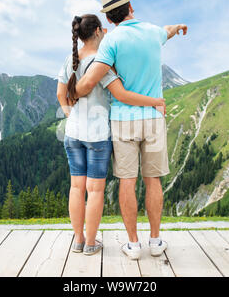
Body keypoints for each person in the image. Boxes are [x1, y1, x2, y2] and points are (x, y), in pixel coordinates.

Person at [74, 0, 187, 260]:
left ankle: (134, 244)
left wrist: (71, 92)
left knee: (127, 182)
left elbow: (88, 83)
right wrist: (178, 27)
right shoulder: (153, 32)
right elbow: (167, 31)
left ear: (109, 19)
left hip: (124, 121)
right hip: (153, 119)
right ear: (131, 7)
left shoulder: (111, 42)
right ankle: (156, 241)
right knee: (154, 181)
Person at [57, 14, 166, 256]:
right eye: (102, 29)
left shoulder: (69, 60)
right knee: (94, 190)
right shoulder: (102, 62)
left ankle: (79, 240)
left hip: (73, 132)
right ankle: (91, 243)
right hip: (97, 136)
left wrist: (69, 115)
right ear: (97, 31)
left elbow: (60, 94)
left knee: (76, 187)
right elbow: (121, 95)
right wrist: (155, 101)